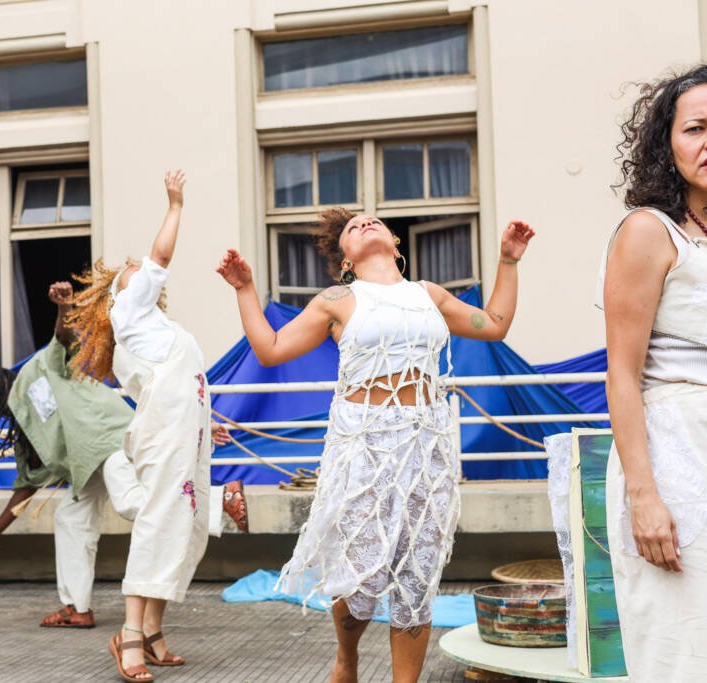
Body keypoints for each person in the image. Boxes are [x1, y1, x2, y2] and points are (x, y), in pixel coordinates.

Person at [216, 211, 533, 683]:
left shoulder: (427, 294)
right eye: (352, 226)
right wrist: (244, 290)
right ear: (344, 258)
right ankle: (347, 657)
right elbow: (271, 349)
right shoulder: (338, 299)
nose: (365, 223)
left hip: (426, 448)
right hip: (363, 446)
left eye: (373, 220)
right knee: (361, 576)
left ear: (394, 241)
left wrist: (508, 261)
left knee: (418, 575)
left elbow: (494, 325)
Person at [0, 281, 244, 633]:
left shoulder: (37, 371)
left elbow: (62, 341)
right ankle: (76, 608)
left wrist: (64, 308)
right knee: (70, 518)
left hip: (109, 440)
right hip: (88, 466)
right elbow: (26, 487)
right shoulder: (23, 425)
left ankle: (218, 501)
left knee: (130, 502)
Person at [68, 170, 215, 682]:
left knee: (187, 526)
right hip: (164, 435)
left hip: (183, 433)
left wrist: (204, 426)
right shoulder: (127, 306)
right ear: (116, 293)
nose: (140, 269)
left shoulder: (155, 329)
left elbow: (178, 389)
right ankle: (130, 634)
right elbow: (162, 258)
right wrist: (175, 205)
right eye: (132, 269)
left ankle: (152, 632)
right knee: (160, 521)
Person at [601, 64, 707, 681]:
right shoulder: (649, 231)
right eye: (695, 128)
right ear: (666, 143)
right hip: (675, 459)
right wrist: (645, 498)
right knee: (682, 647)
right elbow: (621, 373)